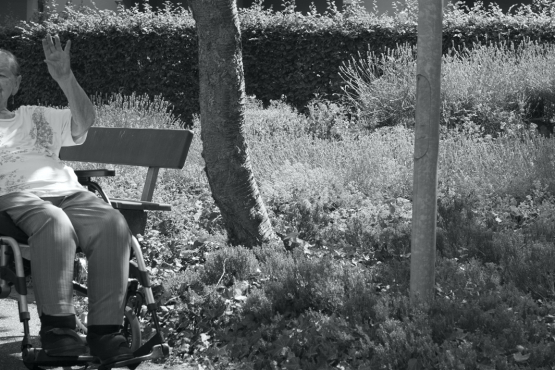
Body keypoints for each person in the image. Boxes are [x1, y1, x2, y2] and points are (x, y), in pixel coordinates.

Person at [0, 34, 133, 365]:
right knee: (54, 224)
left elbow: (84, 120)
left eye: (0, 75)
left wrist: (65, 77)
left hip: (66, 191)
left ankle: (106, 333)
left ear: (15, 85)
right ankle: (59, 331)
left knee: (112, 223)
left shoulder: (36, 116)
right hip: (14, 196)